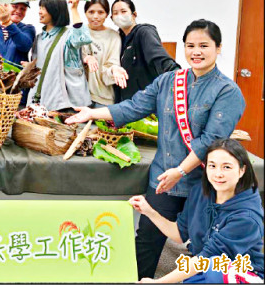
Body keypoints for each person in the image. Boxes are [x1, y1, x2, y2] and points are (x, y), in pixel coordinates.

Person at [65, 19, 246, 280]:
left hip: (206, 183)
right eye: (190, 45)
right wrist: (92, 112)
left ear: (218, 48)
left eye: (204, 45)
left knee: (205, 249)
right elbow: (134, 106)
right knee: (148, 240)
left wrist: (180, 172)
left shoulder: (228, 91)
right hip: (165, 178)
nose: (196, 51)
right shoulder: (169, 81)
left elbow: (211, 140)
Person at [129, 139, 263, 283]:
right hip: (204, 269)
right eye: (212, 166)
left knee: (214, 267)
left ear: (242, 170)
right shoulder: (200, 191)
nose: (218, 174)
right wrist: (148, 211)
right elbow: (179, 234)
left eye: (227, 167)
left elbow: (206, 258)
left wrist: (158, 282)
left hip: (242, 273)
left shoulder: (247, 216)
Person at [25, 0, 92, 111]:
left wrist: (75, 9)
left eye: (43, 8)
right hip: (40, 101)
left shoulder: (68, 35)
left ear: (55, 10)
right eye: (39, 8)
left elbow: (83, 38)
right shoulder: (39, 38)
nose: (39, 11)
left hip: (65, 104)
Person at [111, 0, 179, 102]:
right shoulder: (118, 40)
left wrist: (179, 78)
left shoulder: (144, 32)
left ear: (134, 15)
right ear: (111, 18)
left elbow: (159, 57)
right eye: (115, 13)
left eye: (123, 11)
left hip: (146, 103)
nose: (119, 16)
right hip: (126, 105)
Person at [80, 0, 128, 107]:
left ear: (107, 14)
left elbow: (111, 64)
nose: (95, 16)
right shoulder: (79, 31)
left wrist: (114, 69)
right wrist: (85, 57)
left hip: (103, 98)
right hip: (79, 96)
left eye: (100, 12)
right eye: (91, 12)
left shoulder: (114, 36)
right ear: (85, 13)